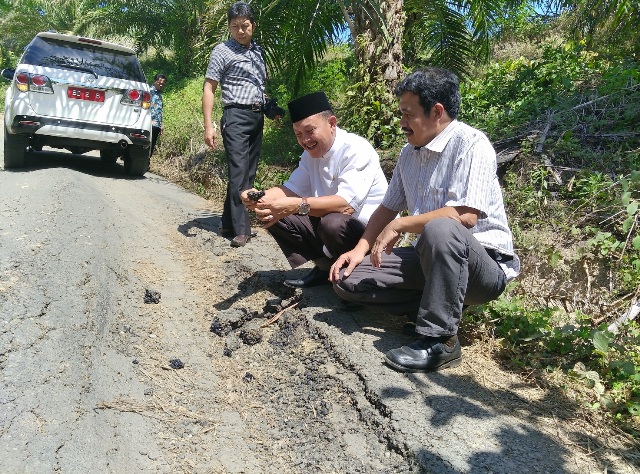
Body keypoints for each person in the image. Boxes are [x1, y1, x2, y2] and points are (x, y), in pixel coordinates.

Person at [329, 67, 521, 373]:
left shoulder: (471, 144)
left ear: (437, 112)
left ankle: (441, 341)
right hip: (431, 259)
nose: (402, 122)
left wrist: (403, 225)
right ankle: (435, 307)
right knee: (346, 281)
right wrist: (359, 250)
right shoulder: (409, 153)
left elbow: (466, 216)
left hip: (482, 268)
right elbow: (386, 209)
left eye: (408, 114)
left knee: (441, 228)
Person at [241, 91, 389, 288]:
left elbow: (345, 206)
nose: (305, 140)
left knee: (333, 223)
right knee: (272, 210)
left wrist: (295, 205)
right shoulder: (310, 155)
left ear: (332, 123)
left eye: (310, 131)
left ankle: (356, 280)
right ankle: (325, 267)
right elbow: (290, 190)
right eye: (298, 134)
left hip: (370, 237)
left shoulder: (356, 149)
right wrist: (258, 197)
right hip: (335, 230)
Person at [202, 1, 268, 247]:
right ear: (229, 28)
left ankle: (228, 222)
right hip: (235, 117)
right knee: (239, 172)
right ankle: (242, 229)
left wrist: (268, 106)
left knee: (247, 174)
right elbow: (209, 88)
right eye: (235, 26)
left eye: (245, 25)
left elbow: (259, 87)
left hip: (256, 117)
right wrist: (208, 126)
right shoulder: (222, 51)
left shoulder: (258, 52)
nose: (241, 30)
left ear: (253, 25)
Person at [149, 73, 167, 156]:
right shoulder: (149, 92)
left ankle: (147, 162)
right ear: (155, 81)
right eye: (159, 83)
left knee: (152, 145)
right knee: (147, 145)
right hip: (149, 124)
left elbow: (159, 111)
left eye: (163, 84)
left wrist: (161, 125)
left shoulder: (159, 95)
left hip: (156, 125)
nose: (161, 85)